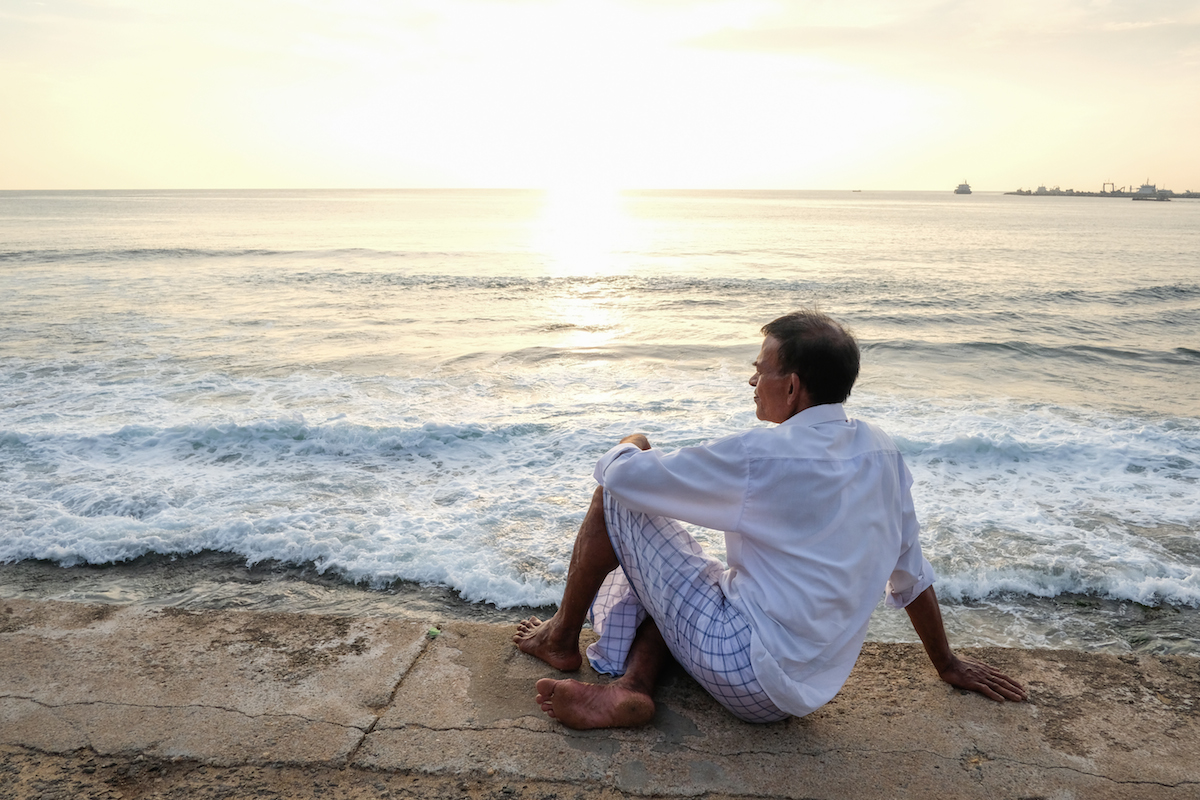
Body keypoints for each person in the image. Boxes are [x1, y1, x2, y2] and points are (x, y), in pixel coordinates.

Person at [514, 310, 1026, 729]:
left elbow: (620, 477)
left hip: (743, 666)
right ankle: (632, 688)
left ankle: (559, 638)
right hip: (804, 693)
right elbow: (910, 573)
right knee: (698, 576)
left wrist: (634, 442)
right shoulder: (883, 452)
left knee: (615, 499)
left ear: (793, 387)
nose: (753, 379)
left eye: (762, 369)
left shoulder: (765, 455)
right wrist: (947, 663)